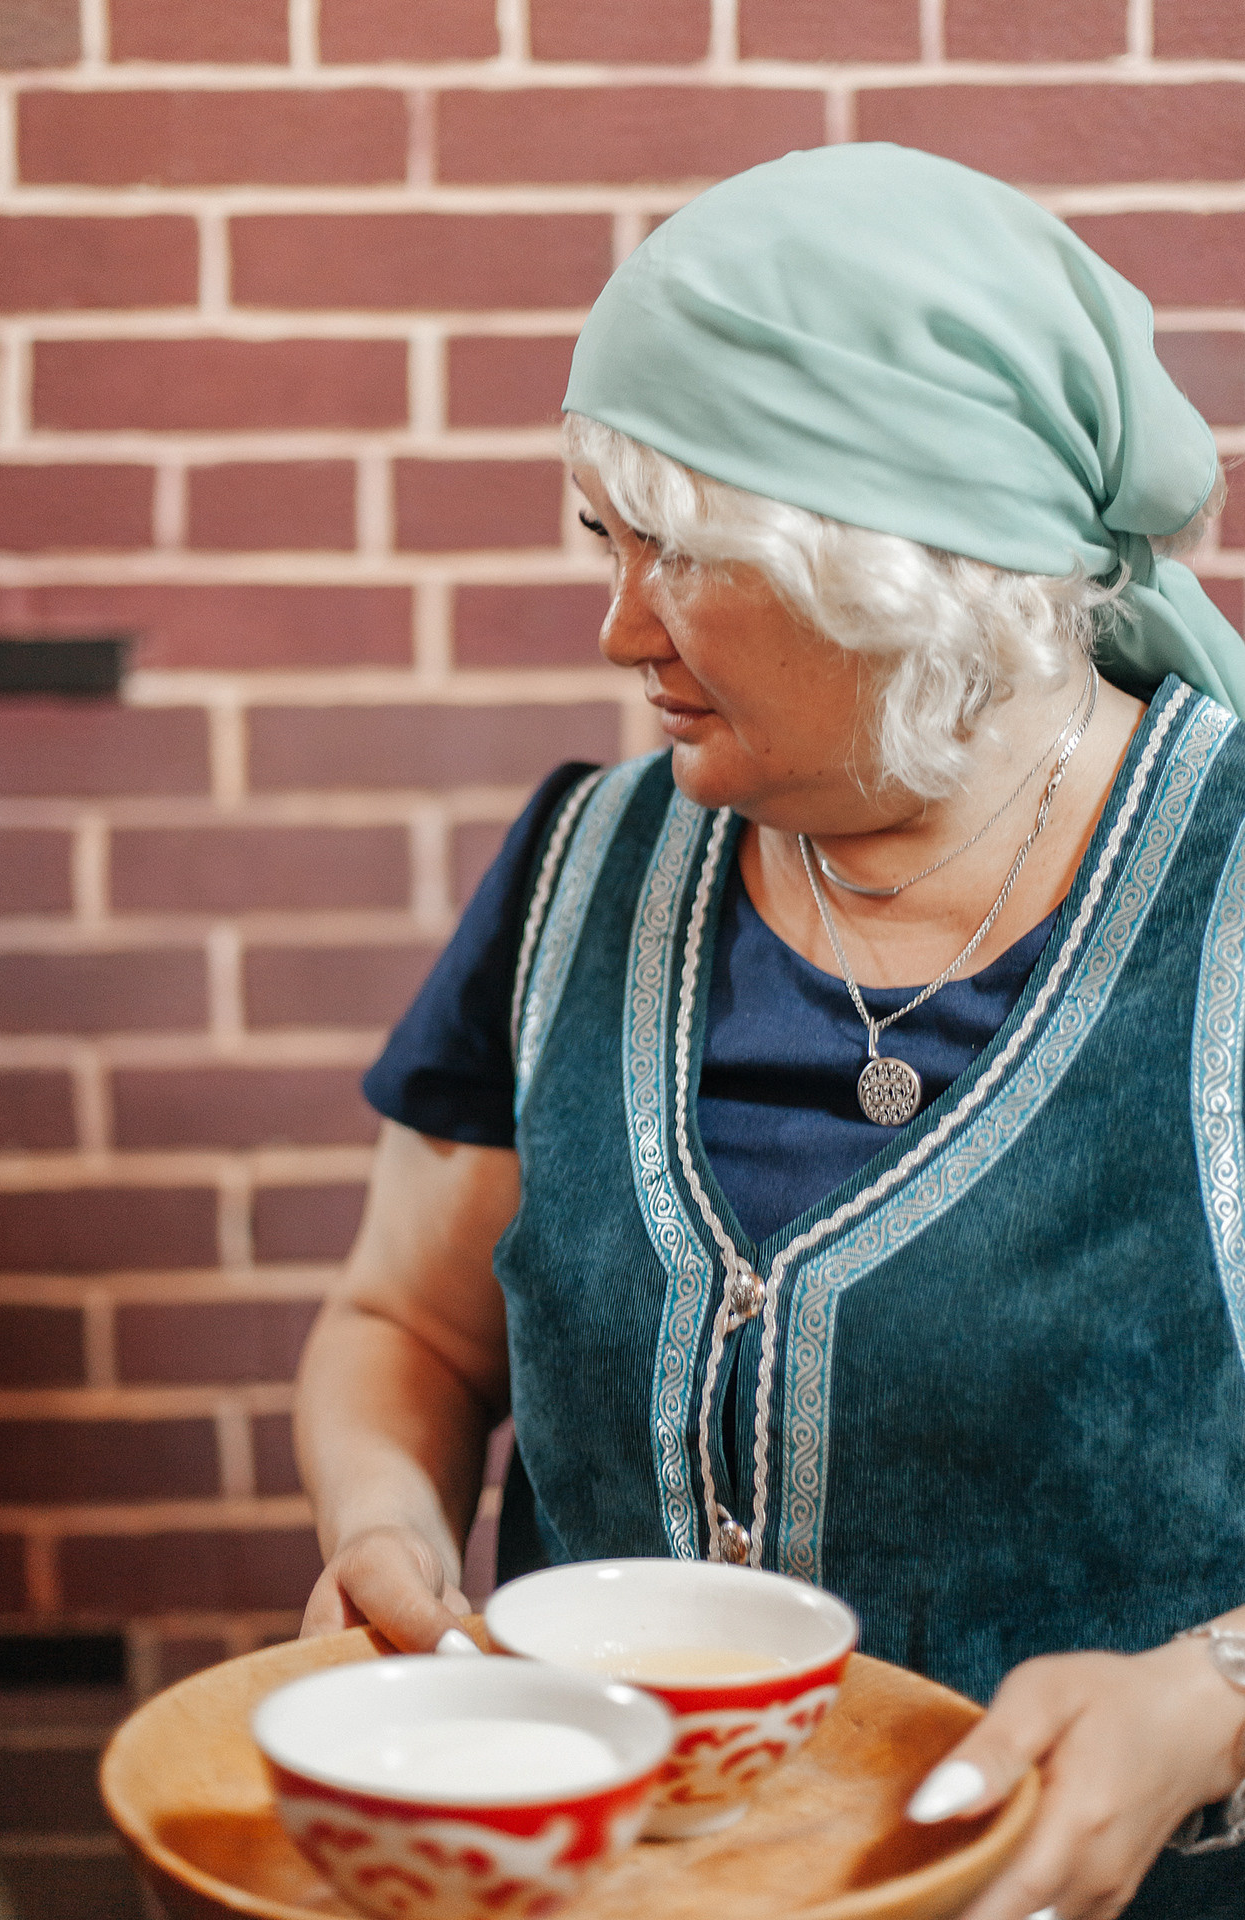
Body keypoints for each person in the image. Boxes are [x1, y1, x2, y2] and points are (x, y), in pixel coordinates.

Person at [293, 144, 1245, 1919]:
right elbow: (404, 1321)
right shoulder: (581, 867)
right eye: (608, 541)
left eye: (686, 558)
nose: (618, 627)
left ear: (913, 570)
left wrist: (1214, 1701)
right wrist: (385, 1524)